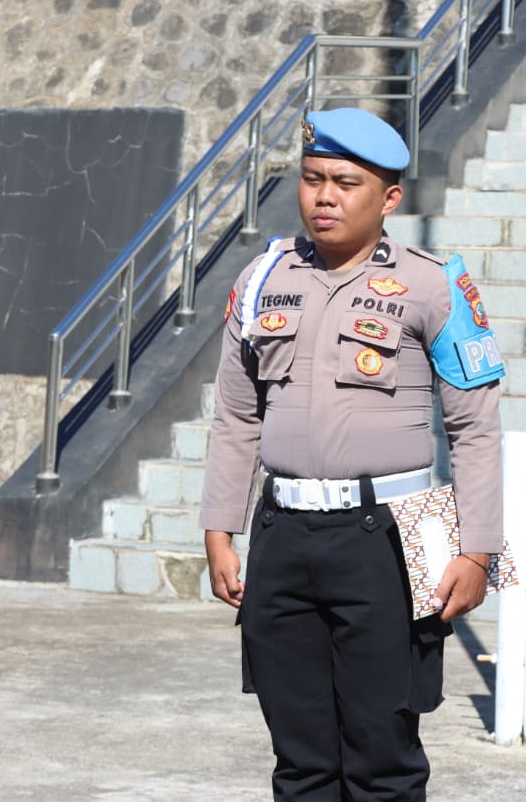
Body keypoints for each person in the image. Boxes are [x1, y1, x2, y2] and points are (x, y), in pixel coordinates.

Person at [199, 107, 504, 800]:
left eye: (345, 181)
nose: (325, 196)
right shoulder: (261, 278)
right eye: (312, 179)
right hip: (283, 533)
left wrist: (478, 551)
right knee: (299, 757)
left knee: (383, 755)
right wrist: (220, 528)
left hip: (392, 534)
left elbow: (476, 430)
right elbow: (237, 415)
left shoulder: (434, 284)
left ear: (388, 197)